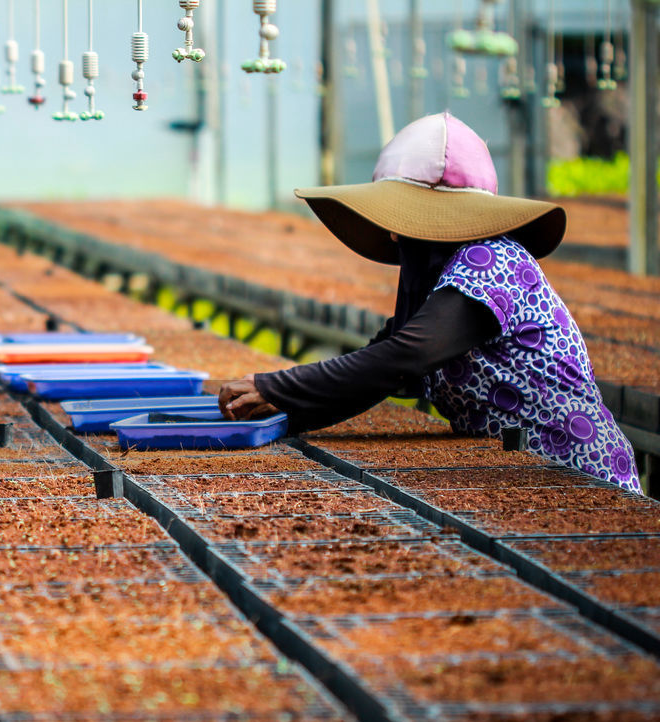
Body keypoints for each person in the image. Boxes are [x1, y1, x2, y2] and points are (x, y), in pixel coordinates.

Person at [218, 112, 641, 494]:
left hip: (573, 467)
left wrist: (276, 386)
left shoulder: (491, 260)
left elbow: (405, 356)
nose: (396, 236)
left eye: (404, 219)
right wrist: (284, 409)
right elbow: (376, 371)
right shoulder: (440, 280)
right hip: (518, 470)